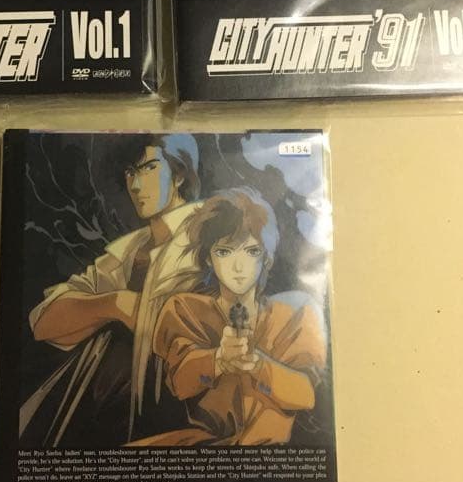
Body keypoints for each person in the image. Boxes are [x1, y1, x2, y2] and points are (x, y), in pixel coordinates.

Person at [23, 134, 202, 446]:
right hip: (102, 410)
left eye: (149, 168)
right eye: (130, 173)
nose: (136, 185)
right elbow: (44, 323)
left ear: (180, 174)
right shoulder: (128, 250)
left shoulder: (212, 236)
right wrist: (115, 304)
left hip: (180, 411)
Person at [136, 188, 326, 446]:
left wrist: (257, 365)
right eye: (225, 252)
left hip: (269, 453)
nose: (238, 266)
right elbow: (180, 384)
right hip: (204, 447)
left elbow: (305, 396)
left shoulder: (292, 315)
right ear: (208, 258)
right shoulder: (185, 309)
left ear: (267, 258)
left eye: (251, 251)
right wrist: (218, 361)